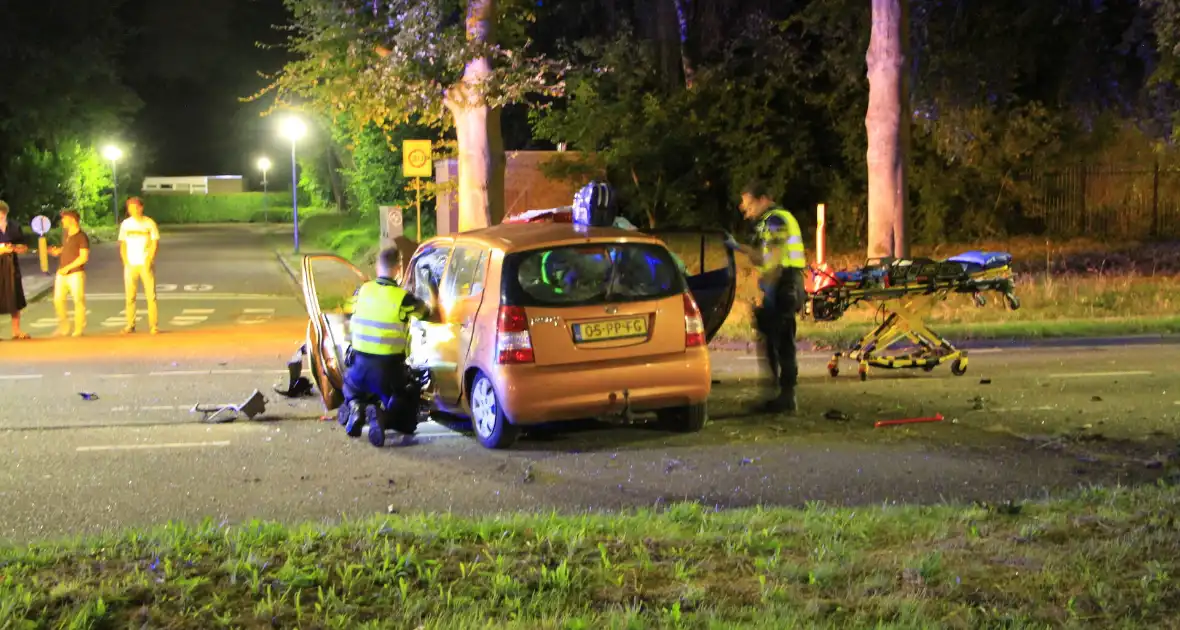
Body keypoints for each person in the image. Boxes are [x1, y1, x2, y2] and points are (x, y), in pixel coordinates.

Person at [724, 181, 807, 413]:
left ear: (762, 199)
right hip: (781, 283)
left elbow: (776, 260)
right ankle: (779, 395)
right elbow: (762, 258)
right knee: (773, 339)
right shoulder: (768, 222)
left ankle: (786, 397)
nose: (744, 209)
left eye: (748, 204)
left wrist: (768, 292)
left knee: (781, 340)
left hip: (784, 283)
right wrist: (737, 247)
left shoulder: (776, 220)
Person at [338, 245, 431, 446]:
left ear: (377, 267)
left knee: (350, 386)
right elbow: (427, 313)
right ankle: (382, 417)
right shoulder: (403, 298)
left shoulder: (362, 291)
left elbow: (346, 312)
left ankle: (355, 407)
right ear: (398, 268)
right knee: (406, 401)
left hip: (359, 369)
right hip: (389, 373)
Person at [118, 197, 160, 334]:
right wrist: (125, 261)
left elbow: (154, 243)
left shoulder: (149, 223)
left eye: (136, 207)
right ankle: (130, 324)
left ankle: (153, 325)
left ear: (142, 207)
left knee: (150, 296)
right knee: (130, 297)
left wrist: (150, 258)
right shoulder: (125, 224)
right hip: (130, 264)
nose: (134, 210)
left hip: (144, 263)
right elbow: (123, 244)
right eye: (131, 208)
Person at [47, 210, 90, 337]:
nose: (62, 221)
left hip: (75, 273)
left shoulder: (82, 237)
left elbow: (83, 257)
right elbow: (66, 248)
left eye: (64, 219)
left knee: (78, 300)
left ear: (72, 220)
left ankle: (78, 328)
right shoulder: (65, 234)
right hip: (62, 272)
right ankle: (63, 327)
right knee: (58, 300)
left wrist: (68, 267)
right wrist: (58, 251)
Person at [0, 200, 31, 340]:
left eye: (2, 213)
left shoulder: (14, 226)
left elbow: (23, 245)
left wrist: (20, 248)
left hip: (11, 264)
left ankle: (16, 330)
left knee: (14, 296)